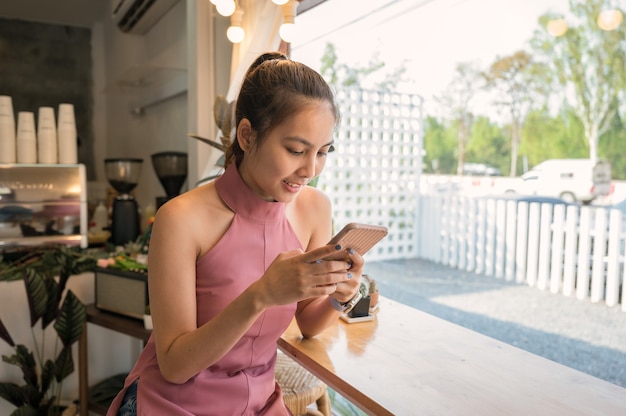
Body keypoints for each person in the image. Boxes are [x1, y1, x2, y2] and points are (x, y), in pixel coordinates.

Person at [106, 51, 365, 415]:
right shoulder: (180, 219)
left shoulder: (313, 209)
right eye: (295, 150)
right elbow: (175, 365)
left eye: (323, 151)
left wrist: (340, 296)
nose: (310, 169)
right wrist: (260, 295)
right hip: (174, 404)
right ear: (246, 135)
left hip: (259, 404)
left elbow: (307, 323)